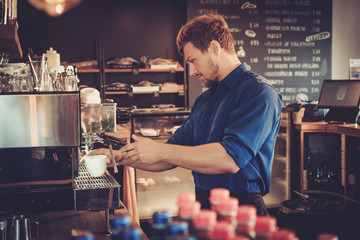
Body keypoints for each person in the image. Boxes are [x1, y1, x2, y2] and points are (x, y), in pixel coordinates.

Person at [89, 14, 283, 216]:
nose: (191, 71)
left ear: (215, 48)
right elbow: (171, 155)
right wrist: (118, 158)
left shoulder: (258, 92)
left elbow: (229, 159)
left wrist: (158, 150)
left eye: (193, 60)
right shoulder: (205, 100)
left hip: (242, 210)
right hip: (203, 206)